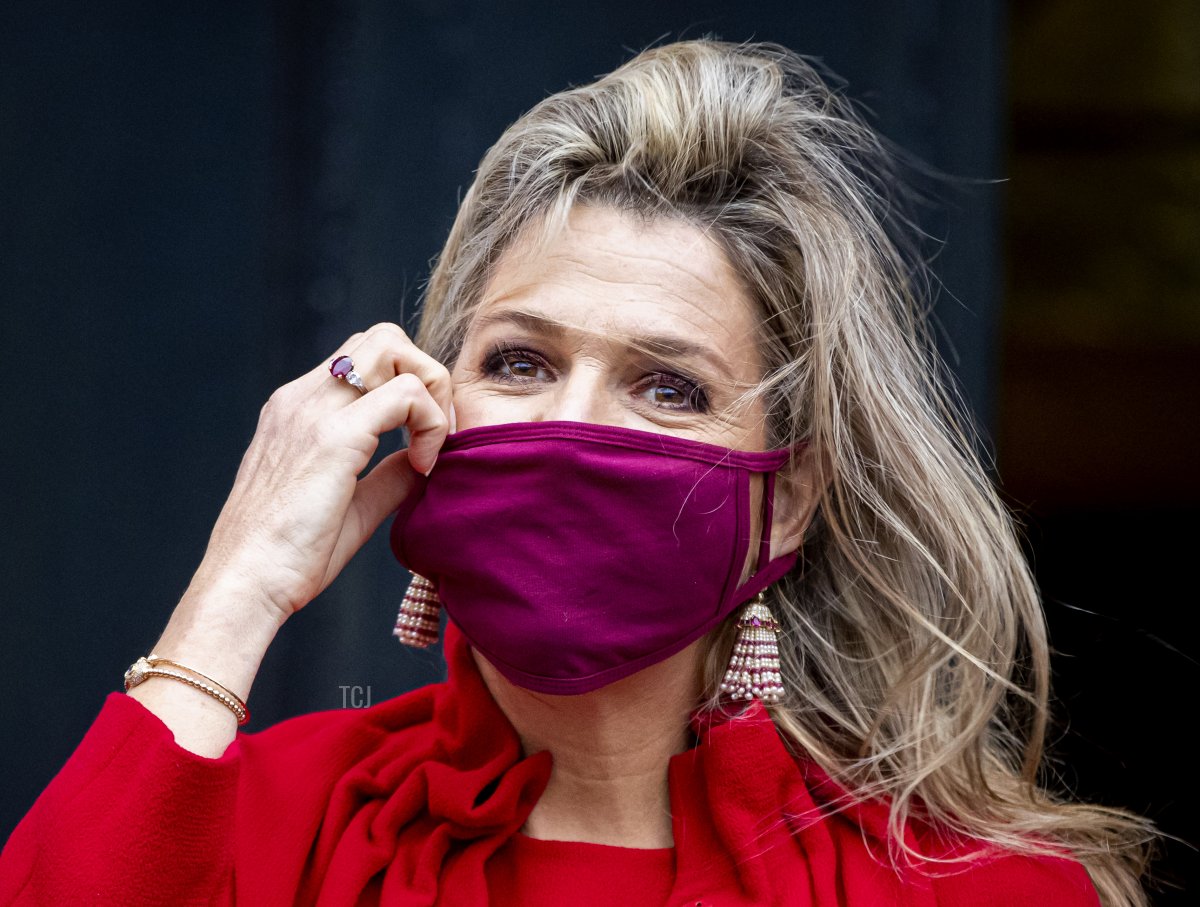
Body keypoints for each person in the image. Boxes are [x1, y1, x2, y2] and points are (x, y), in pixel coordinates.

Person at [0, 39, 1153, 906]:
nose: (570, 423)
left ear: (783, 501)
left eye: (670, 386)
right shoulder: (260, 822)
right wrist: (236, 586)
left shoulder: (971, 887)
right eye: (518, 360)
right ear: (426, 412)